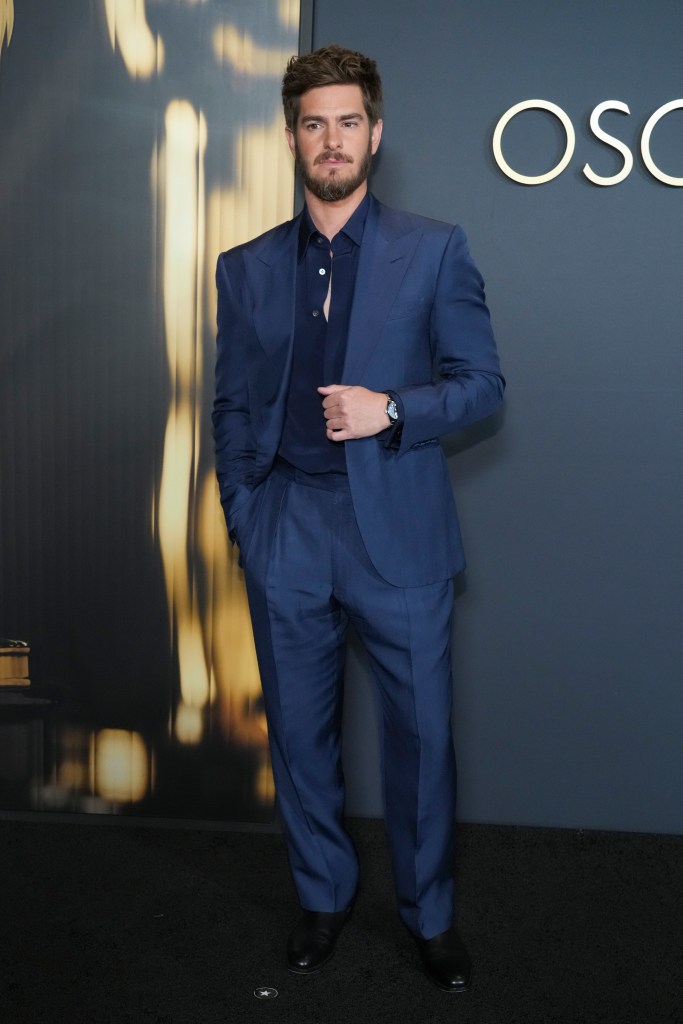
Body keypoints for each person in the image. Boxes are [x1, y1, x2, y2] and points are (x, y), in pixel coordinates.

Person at [213, 43, 504, 992]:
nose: (330, 139)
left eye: (347, 121)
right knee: (300, 738)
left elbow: (481, 387)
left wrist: (392, 409)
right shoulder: (246, 267)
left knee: (422, 739)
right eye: (312, 122)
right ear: (292, 137)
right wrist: (247, 519)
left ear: (374, 132)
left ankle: (428, 917)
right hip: (286, 526)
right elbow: (229, 405)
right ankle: (323, 898)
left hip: (397, 533)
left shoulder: (435, 247)